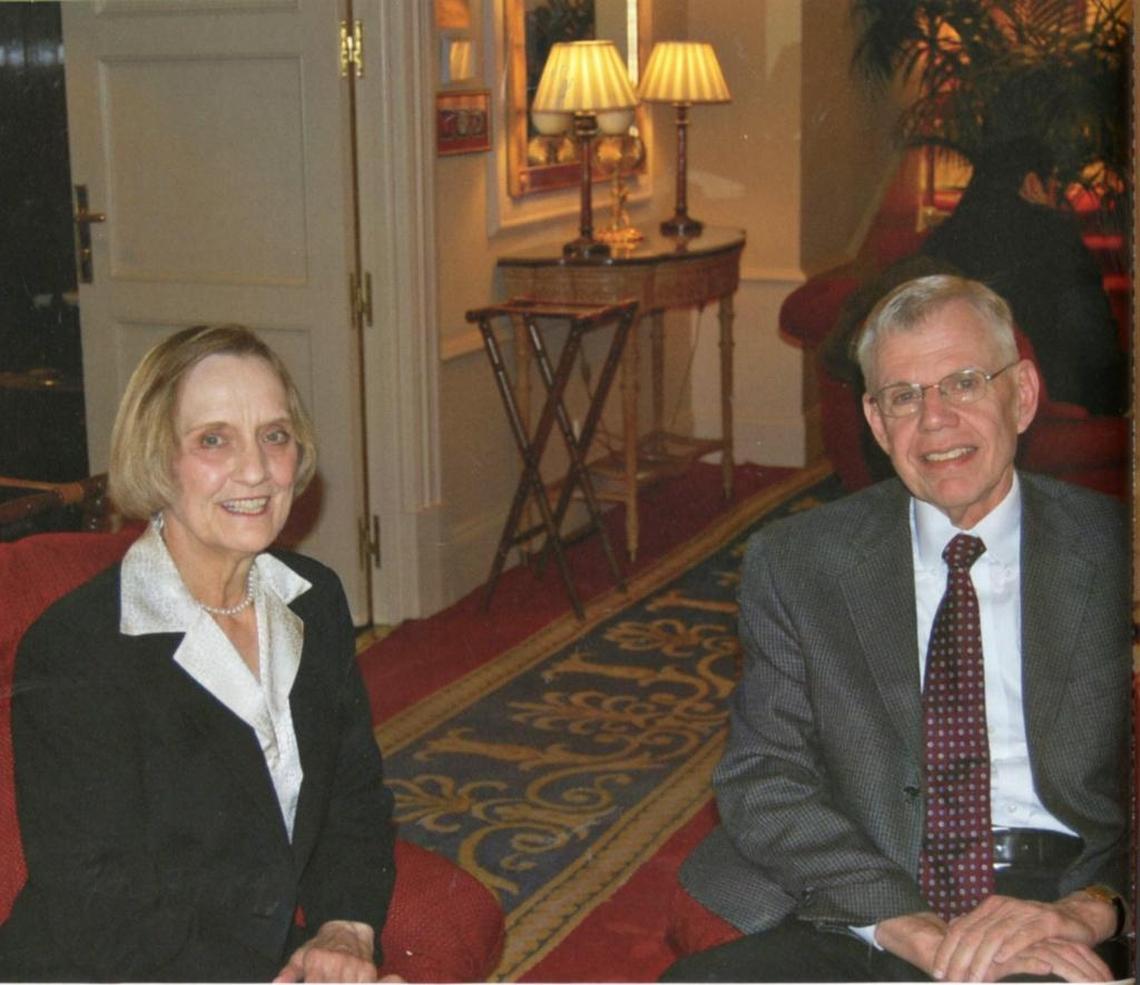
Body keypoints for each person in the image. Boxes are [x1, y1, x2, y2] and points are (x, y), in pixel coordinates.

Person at [667, 275, 1130, 982]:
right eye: (905, 396)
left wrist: (1095, 909)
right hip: (868, 893)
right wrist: (904, 922)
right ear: (878, 425)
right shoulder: (798, 562)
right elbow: (763, 776)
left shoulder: (1114, 551)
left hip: (1058, 893)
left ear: (1024, 395)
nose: (935, 420)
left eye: (965, 382)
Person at [0, 325, 398, 982]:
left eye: (275, 434)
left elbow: (352, 796)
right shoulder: (78, 648)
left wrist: (345, 929)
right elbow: (98, 910)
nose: (256, 469)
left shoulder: (313, 602)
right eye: (214, 439)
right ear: (158, 461)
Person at [919, 138, 1127, 416]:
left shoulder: (941, 241)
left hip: (965, 398)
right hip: (1055, 399)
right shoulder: (1056, 235)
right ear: (1031, 184)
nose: (1056, 195)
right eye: (1052, 184)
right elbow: (1089, 332)